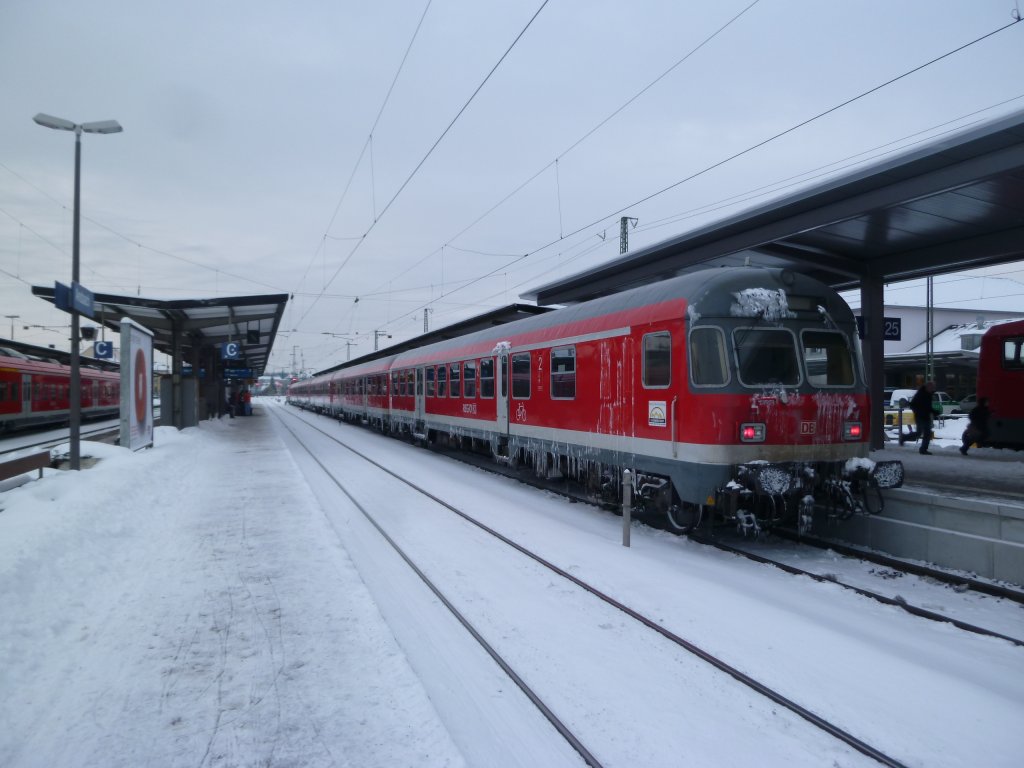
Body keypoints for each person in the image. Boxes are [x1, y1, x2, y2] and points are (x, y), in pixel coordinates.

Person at [909, 381, 936, 455]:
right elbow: (913, 405)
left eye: (933, 387)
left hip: (925, 416)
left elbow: (928, 407)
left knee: (926, 433)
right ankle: (904, 438)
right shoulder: (920, 394)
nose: (933, 389)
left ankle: (923, 449)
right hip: (920, 416)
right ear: (927, 387)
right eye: (931, 387)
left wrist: (933, 412)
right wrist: (919, 411)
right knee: (920, 433)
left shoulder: (928, 394)